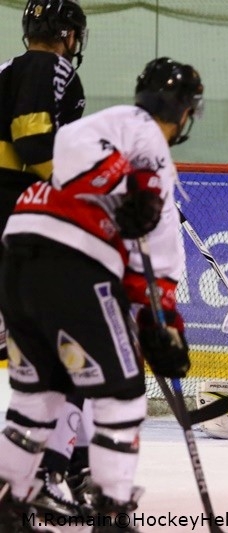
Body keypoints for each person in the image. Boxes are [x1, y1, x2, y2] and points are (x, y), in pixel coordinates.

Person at [0, 56, 202, 532]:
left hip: (15, 256)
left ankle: (8, 506)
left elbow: (71, 167)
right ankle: (112, 514)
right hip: (72, 263)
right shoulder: (149, 138)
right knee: (122, 396)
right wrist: (162, 325)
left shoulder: (87, 129)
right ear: (186, 112)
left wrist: (117, 181)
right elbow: (152, 263)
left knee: (38, 394)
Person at [0, 0, 95, 519]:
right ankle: (51, 472)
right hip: (18, 220)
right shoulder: (45, 65)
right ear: (66, 34)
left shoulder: (11, 69)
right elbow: (34, 139)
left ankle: (64, 465)